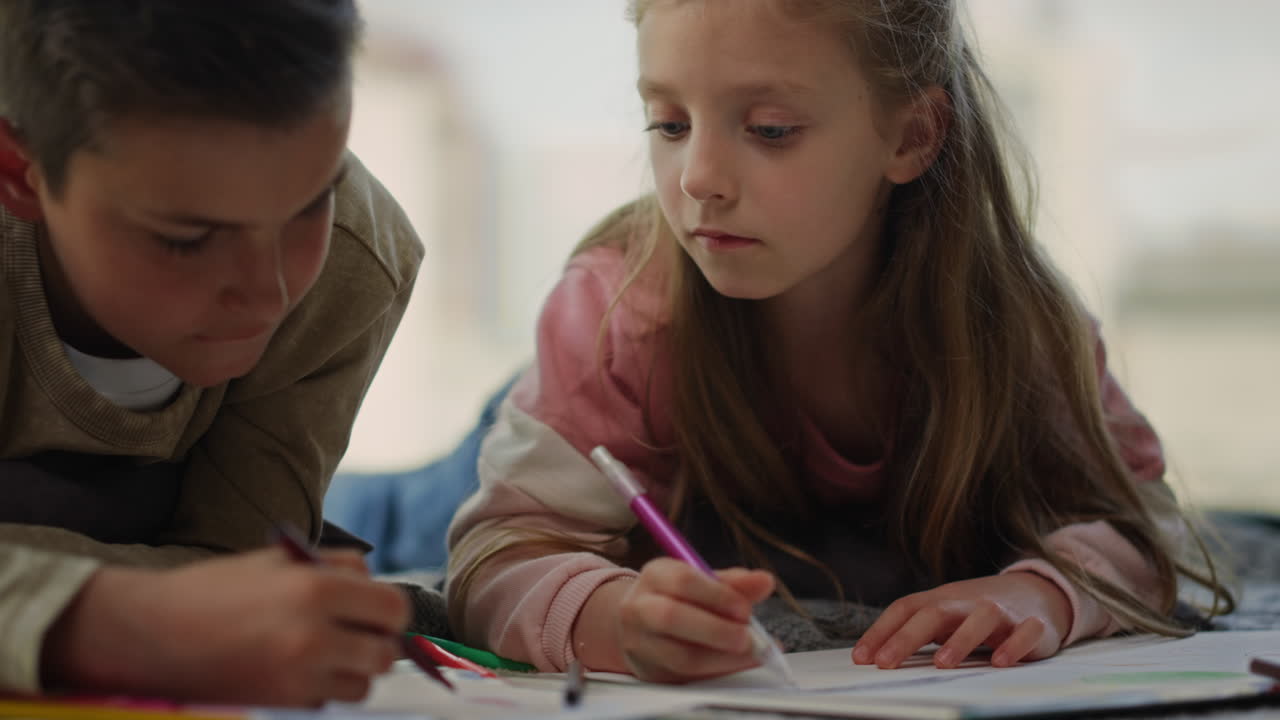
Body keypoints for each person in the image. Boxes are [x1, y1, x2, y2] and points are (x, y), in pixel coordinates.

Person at [445, 0, 1232, 684]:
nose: (698, 178)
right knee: (393, 515)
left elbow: (1147, 527)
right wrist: (609, 617)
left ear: (913, 135)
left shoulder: (1015, 324)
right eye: (670, 124)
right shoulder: (615, 310)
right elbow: (495, 557)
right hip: (568, 424)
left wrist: (1047, 594)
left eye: (770, 129)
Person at [0, 0, 424, 705]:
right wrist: (109, 624)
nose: (269, 294)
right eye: (185, 239)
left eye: (310, 204)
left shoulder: (355, 261)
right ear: (21, 173)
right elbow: (217, 606)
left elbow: (240, 576)